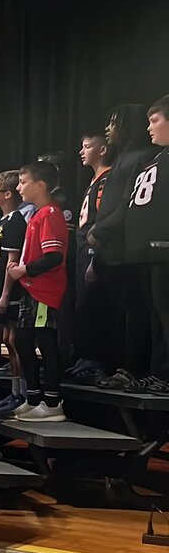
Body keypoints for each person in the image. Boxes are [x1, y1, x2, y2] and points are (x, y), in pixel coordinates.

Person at [9, 162, 69, 422]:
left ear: (40, 185)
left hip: (44, 290)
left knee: (45, 342)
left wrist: (24, 270)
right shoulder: (37, 215)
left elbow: (54, 257)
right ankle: (33, 398)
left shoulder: (50, 214)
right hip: (30, 289)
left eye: (23, 182)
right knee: (21, 341)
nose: (19, 188)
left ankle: (53, 402)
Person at [121, 95, 169, 387]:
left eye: (155, 121)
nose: (149, 128)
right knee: (155, 316)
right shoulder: (155, 159)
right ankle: (160, 370)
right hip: (146, 252)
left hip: (164, 250)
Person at [67, 132, 112, 383]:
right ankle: (84, 358)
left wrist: (95, 256)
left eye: (87, 147)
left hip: (94, 252)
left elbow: (100, 220)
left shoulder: (108, 178)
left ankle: (95, 362)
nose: (82, 152)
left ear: (103, 149)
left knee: (93, 306)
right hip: (83, 251)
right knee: (82, 306)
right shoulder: (94, 180)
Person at [0, 170, 28, 415]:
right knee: (6, 340)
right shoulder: (2, 221)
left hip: (11, 291)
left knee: (14, 340)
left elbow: (12, 262)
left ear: (7, 194)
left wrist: (5, 294)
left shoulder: (15, 222)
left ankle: (21, 394)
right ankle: (14, 391)